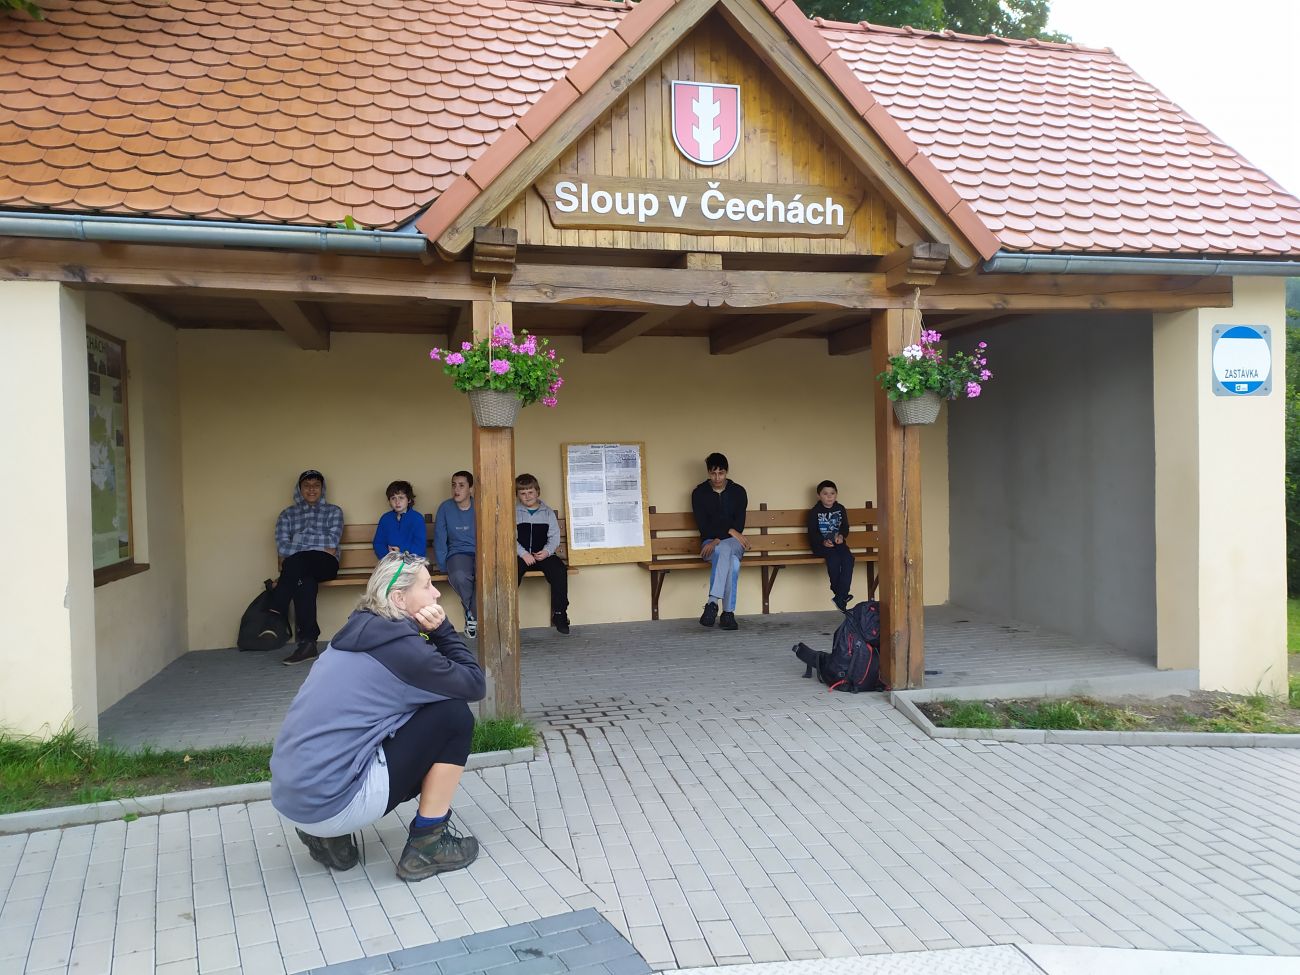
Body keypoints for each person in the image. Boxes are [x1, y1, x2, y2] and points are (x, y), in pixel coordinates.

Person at [270, 552, 484, 883]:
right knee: (453, 716)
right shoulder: (404, 652)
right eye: (427, 586)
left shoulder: (354, 631)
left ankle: (326, 837)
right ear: (399, 598)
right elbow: (474, 684)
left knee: (415, 713)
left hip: (294, 799)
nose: (437, 594)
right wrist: (443, 631)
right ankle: (428, 845)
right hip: (331, 805)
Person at [265, 470, 345, 666]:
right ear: (299, 489)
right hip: (299, 569)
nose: (311, 489)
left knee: (294, 562)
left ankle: (277, 605)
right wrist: (317, 544)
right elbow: (282, 547)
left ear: (322, 489)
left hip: (325, 564)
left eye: (316, 485)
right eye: (307, 486)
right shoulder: (287, 515)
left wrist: (298, 540)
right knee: (305, 582)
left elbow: (332, 542)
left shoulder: (333, 511)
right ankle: (308, 644)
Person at [690, 452, 748, 630]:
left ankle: (712, 602)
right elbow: (703, 525)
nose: (717, 478)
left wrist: (722, 537)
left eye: (721, 473)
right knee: (733, 563)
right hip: (710, 543)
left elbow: (739, 525)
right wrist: (726, 533)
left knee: (724, 548)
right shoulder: (699, 493)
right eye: (713, 473)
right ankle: (728, 614)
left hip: (734, 543)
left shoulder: (738, 492)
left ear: (726, 472)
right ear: (708, 472)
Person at [515, 473, 570, 635]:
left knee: (559, 571)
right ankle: (508, 615)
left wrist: (546, 552)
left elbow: (554, 537)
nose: (527, 496)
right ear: (517, 495)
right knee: (509, 573)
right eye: (523, 493)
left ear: (537, 492)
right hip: (522, 556)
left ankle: (560, 613)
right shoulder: (514, 512)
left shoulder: (547, 513)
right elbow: (509, 537)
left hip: (543, 555)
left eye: (530, 492)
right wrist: (523, 554)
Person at [434, 471, 477, 638]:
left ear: (471, 488)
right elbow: (440, 538)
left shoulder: (480, 505)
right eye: (453, 485)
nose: (456, 489)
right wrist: (443, 565)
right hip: (457, 553)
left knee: (486, 578)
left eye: (461, 485)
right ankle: (473, 614)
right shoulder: (445, 508)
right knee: (459, 576)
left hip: (481, 553)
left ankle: (471, 615)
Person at [807, 479, 854, 611]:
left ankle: (841, 594)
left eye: (832, 493)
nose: (829, 496)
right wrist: (822, 541)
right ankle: (839, 593)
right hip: (821, 545)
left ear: (836, 494)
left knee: (848, 559)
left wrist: (841, 536)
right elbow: (812, 532)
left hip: (838, 543)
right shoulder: (815, 512)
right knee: (834, 559)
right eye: (825, 494)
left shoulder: (840, 509)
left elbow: (845, 527)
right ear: (819, 496)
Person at [372, 480, 427, 560]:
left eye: (401, 498)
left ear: (409, 500)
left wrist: (401, 553)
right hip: (389, 561)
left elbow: (420, 548)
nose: (397, 502)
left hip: (413, 562)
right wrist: (389, 558)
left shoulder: (417, 519)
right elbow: (378, 544)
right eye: (393, 498)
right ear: (389, 501)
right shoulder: (385, 519)